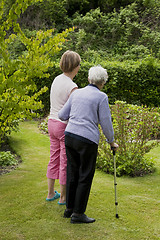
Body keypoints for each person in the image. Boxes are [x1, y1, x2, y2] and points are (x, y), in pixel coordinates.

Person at [58, 65, 119, 223]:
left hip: (70, 136)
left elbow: (62, 115)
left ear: (88, 79)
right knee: (85, 175)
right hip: (87, 141)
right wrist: (111, 142)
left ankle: (69, 209)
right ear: (103, 82)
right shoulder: (101, 97)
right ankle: (78, 214)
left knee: (72, 172)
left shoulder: (76, 93)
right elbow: (106, 123)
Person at [46, 50, 81, 205]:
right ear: (75, 67)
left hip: (51, 123)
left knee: (53, 158)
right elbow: (74, 111)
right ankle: (63, 197)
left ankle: (50, 193)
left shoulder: (56, 79)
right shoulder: (72, 87)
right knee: (64, 161)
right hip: (62, 126)